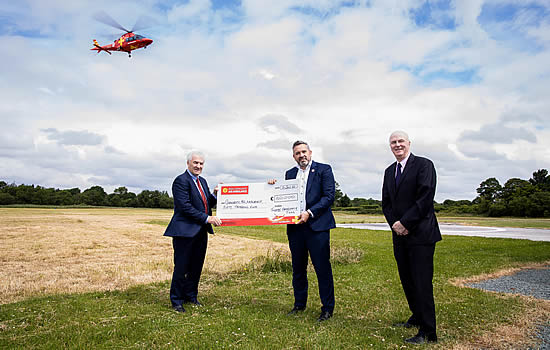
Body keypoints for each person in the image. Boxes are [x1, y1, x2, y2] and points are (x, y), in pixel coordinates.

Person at [382, 131, 442, 344]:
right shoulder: (389, 171)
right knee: (407, 280)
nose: (397, 145)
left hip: (421, 235)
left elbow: (425, 198)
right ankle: (416, 316)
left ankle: (428, 332)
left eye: (401, 141)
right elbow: (386, 203)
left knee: (422, 282)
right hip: (399, 236)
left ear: (409, 143)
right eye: (393, 142)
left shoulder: (424, 165)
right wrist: (395, 225)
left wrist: (405, 223)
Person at [269, 141, 336, 322]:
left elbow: (329, 196)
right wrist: (272, 186)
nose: (301, 155)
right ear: (294, 156)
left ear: (310, 152)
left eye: (304, 152)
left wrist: (309, 213)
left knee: (322, 269)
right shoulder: (290, 173)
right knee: (298, 268)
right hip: (295, 229)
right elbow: (282, 196)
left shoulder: (324, 169)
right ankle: (299, 304)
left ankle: (327, 308)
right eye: (297, 153)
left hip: (317, 227)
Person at [164, 151, 222, 313]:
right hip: (184, 232)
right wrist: (207, 218)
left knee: (196, 266)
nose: (198, 166)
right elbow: (185, 207)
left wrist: (216, 194)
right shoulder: (181, 181)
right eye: (195, 163)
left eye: (201, 163)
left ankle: (191, 296)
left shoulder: (202, 181)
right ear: (188, 163)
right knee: (182, 267)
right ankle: (176, 300)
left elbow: (206, 202)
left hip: (200, 232)